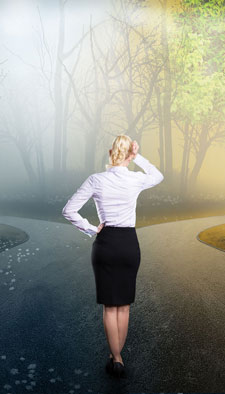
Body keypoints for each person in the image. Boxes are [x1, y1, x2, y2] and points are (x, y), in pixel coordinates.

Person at [61, 134, 164, 378]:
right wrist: (138, 156)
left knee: (110, 306)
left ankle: (115, 357)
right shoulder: (136, 179)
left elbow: (68, 210)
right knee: (124, 306)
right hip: (129, 243)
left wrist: (89, 227)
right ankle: (118, 357)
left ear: (110, 153)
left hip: (106, 243)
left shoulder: (96, 180)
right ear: (129, 155)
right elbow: (158, 176)